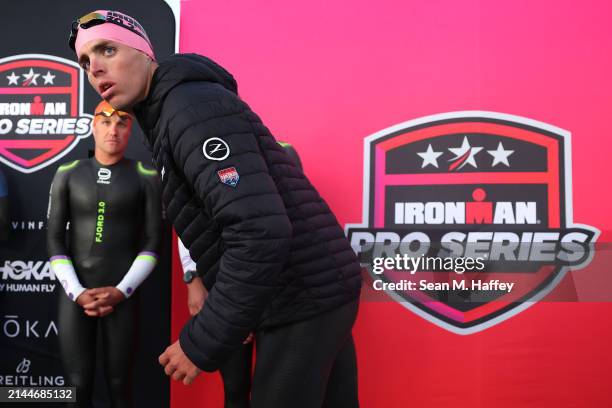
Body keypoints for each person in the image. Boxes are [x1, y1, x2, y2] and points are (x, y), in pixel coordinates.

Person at [69, 10, 362, 407]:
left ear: (144, 53)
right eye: (85, 62)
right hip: (310, 291)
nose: (95, 68)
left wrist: (204, 336)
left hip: (301, 296)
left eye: (107, 49)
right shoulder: (170, 111)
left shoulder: (189, 109)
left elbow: (260, 231)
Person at [47, 100, 162, 408]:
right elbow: (55, 239)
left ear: (131, 130)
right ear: (92, 126)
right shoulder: (68, 172)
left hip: (122, 295)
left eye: (122, 123)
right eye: (106, 122)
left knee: (120, 384)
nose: (114, 130)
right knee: (77, 385)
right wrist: (77, 292)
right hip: (76, 296)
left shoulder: (145, 175)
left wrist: (121, 291)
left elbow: (153, 242)